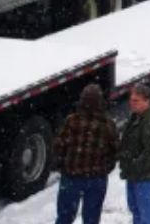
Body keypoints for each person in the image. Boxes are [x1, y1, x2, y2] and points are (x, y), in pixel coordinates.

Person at [55, 84, 119, 224]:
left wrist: (63, 166)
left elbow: (59, 146)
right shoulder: (107, 124)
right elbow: (114, 150)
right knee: (91, 218)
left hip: (71, 177)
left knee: (64, 217)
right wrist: (104, 169)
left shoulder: (71, 120)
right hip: (96, 179)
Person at [120, 84, 150, 224]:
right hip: (133, 174)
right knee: (135, 208)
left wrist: (134, 166)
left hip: (145, 176)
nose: (132, 103)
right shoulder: (134, 118)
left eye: (136, 100)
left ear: (147, 101)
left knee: (145, 210)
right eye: (131, 100)